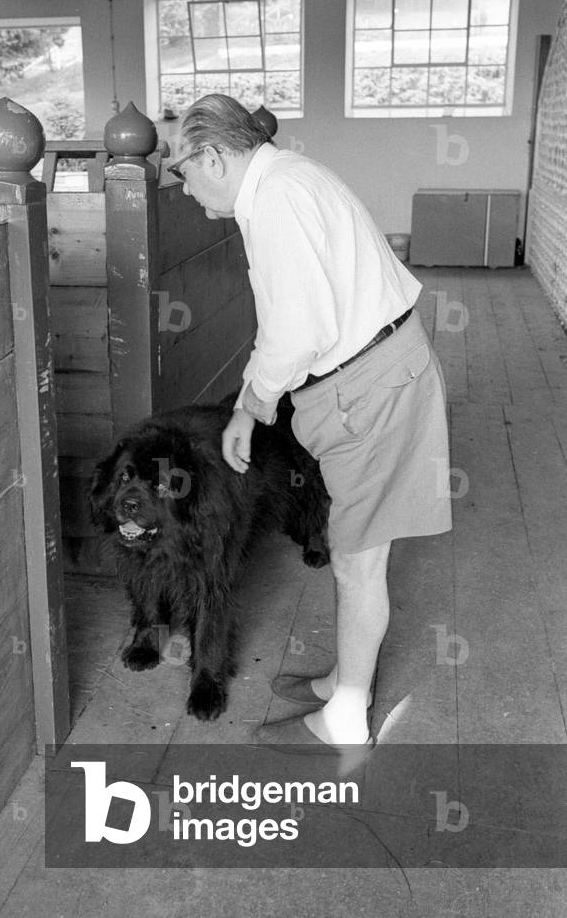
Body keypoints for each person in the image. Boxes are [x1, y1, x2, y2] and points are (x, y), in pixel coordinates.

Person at [169, 93, 452, 755]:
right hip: (369, 374)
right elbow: (285, 322)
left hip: (370, 384)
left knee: (358, 562)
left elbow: (299, 332)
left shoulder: (277, 199)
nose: (183, 187)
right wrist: (251, 397)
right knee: (356, 554)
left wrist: (250, 406)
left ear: (213, 155)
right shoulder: (283, 182)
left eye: (182, 170)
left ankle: (347, 716)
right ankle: (345, 681)